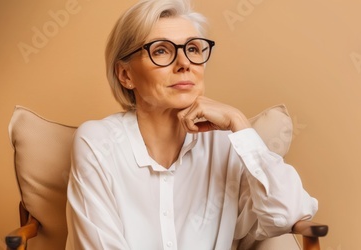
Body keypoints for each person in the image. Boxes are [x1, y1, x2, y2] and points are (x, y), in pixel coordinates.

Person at [66, 0, 318, 249]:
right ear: (126, 75)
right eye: (161, 50)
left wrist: (239, 123)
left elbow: (288, 215)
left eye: (193, 49)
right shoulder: (98, 143)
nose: (184, 63)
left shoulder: (229, 145)